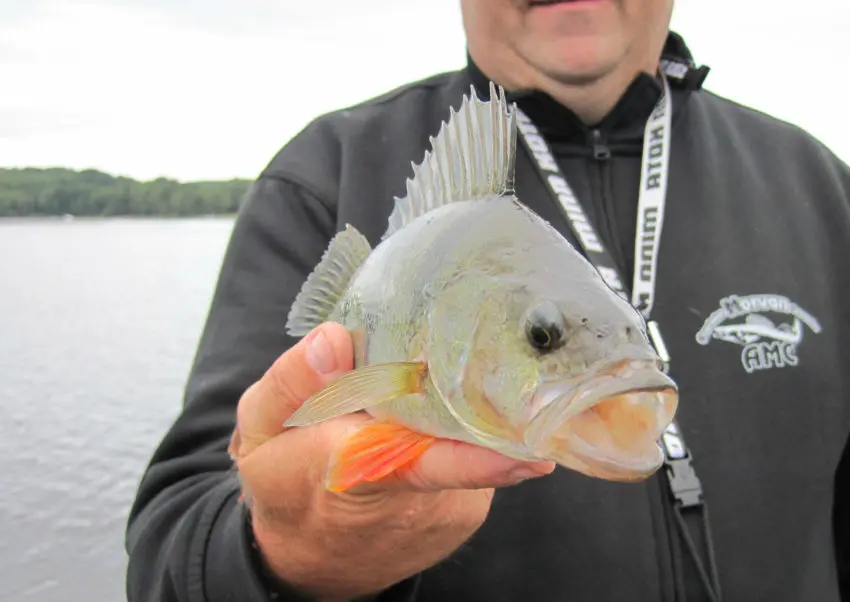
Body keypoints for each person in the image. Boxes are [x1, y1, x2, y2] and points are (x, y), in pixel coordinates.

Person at [125, 1, 850, 601]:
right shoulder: (319, 183)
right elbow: (169, 555)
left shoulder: (821, 187)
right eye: (542, 334)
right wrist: (293, 551)